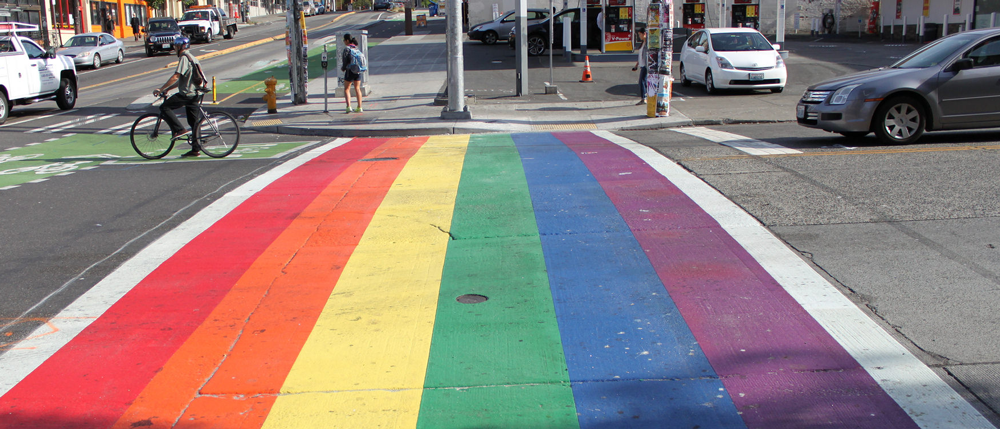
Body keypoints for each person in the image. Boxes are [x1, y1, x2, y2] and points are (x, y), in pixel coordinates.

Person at [152, 37, 204, 157]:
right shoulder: (192, 57)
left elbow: (176, 77)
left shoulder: (184, 58)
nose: (174, 48)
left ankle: (180, 129)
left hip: (188, 94)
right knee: (194, 122)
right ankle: (196, 149)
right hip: (196, 93)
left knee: (164, 107)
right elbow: (181, 81)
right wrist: (167, 89)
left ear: (180, 47)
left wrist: (161, 89)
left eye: (176, 46)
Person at [341, 33, 363, 114]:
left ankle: (348, 107)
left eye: (344, 40)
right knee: (357, 88)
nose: (344, 42)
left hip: (350, 70)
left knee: (347, 88)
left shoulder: (347, 49)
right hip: (358, 70)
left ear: (347, 40)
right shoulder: (356, 48)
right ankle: (359, 107)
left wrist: (343, 68)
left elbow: (345, 60)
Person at [631, 27, 647, 105]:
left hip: (646, 66)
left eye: (640, 34)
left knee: (642, 81)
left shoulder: (647, 44)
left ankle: (644, 98)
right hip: (642, 65)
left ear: (644, 34)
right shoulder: (642, 43)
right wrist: (636, 65)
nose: (639, 36)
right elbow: (640, 56)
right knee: (643, 81)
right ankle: (644, 97)